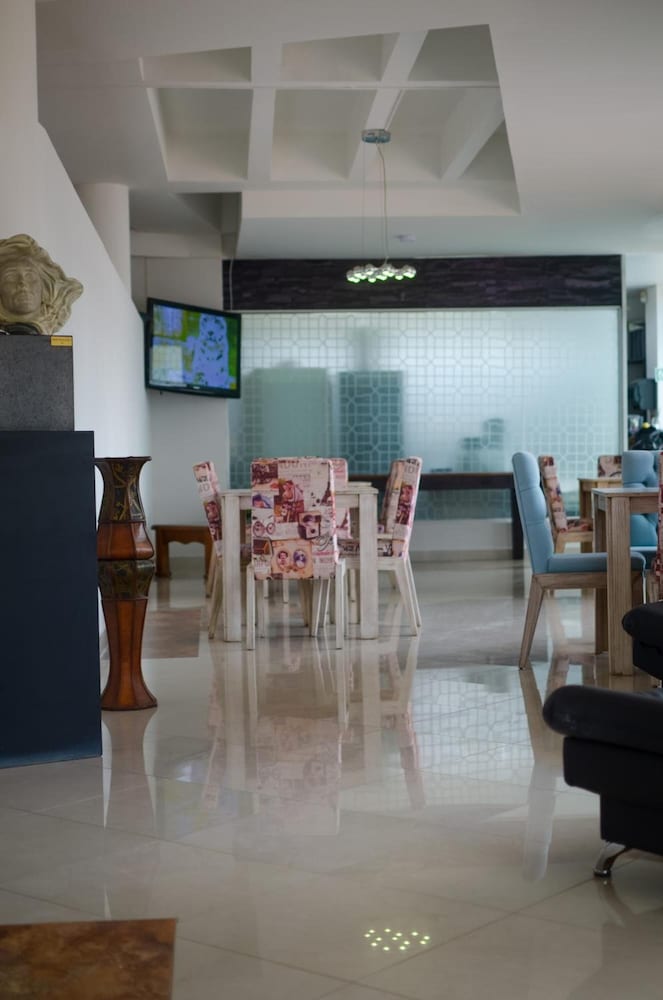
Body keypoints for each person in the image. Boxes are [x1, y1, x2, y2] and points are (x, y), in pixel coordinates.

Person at [0, 233, 83, 335]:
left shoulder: (52, 315)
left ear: (44, 287)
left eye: (30, 277)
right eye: (11, 277)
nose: (23, 284)